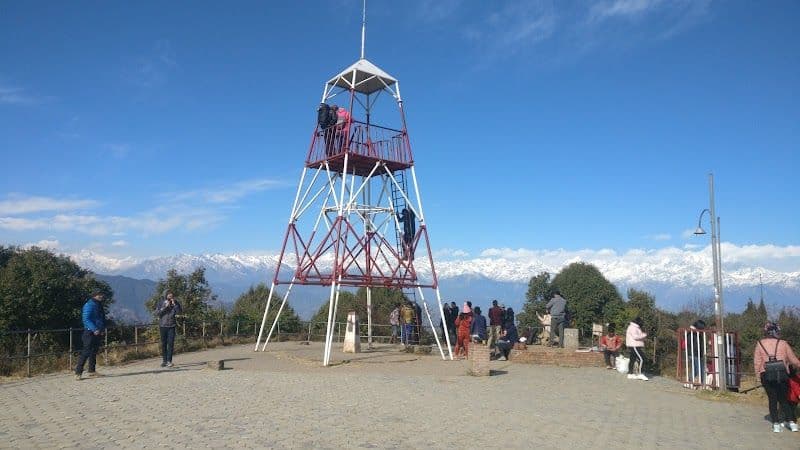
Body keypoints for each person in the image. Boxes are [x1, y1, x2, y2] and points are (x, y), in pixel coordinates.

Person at [754, 321, 800, 432]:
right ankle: (792, 423)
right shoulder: (783, 343)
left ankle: (776, 424)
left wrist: (758, 377)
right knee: (784, 399)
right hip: (782, 374)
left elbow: (757, 362)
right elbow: (793, 360)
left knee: (772, 399)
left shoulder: (760, 344)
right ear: (776, 331)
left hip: (766, 374)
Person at [74, 290, 107, 380]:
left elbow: (100, 318)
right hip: (89, 332)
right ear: (94, 295)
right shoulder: (89, 305)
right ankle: (78, 372)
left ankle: (92, 371)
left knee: (94, 351)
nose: (101, 296)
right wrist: (94, 329)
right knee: (86, 352)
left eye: (101, 294)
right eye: (99, 295)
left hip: (97, 331)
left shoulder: (98, 304)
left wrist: (101, 329)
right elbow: (86, 319)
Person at [156, 291, 182, 368]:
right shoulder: (160, 302)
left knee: (170, 344)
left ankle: (169, 361)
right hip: (162, 326)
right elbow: (158, 313)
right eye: (169, 295)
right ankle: (164, 361)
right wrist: (165, 307)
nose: (171, 297)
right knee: (164, 344)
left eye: (172, 295)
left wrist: (175, 305)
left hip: (171, 326)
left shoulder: (175, 302)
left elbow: (179, 312)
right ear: (165, 295)